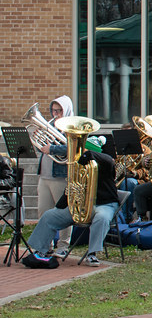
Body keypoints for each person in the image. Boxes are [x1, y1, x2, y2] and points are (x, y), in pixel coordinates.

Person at [26, 136, 118, 268]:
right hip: (81, 207)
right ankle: (40, 251)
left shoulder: (105, 163)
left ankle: (92, 254)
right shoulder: (79, 166)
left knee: (102, 218)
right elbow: (70, 189)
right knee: (49, 216)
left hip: (104, 204)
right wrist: (60, 207)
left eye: (86, 152)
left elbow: (109, 160)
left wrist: (89, 154)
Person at [35, 95, 74, 256]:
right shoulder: (50, 127)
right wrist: (38, 142)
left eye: (59, 111)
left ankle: (63, 246)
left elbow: (71, 149)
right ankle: (46, 245)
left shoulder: (71, 128)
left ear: (66, 111)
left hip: (60, 177)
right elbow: (41, 149)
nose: (55, 114)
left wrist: (51, 149)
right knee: (43, 212)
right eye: (53, 110)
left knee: (63, 213)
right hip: (44, 176)